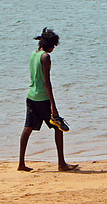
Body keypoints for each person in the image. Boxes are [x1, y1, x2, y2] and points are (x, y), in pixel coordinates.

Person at [18, 27, 78, 172]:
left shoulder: (34, 54)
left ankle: (21, 163)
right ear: (49, 44)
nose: (53, 48)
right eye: (53, 46)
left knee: (28, 128)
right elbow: (47, 82)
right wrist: (53, 105)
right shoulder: (45, 57)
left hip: (31, 96)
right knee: (59, 126)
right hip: (42, 98)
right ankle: (62, 164)